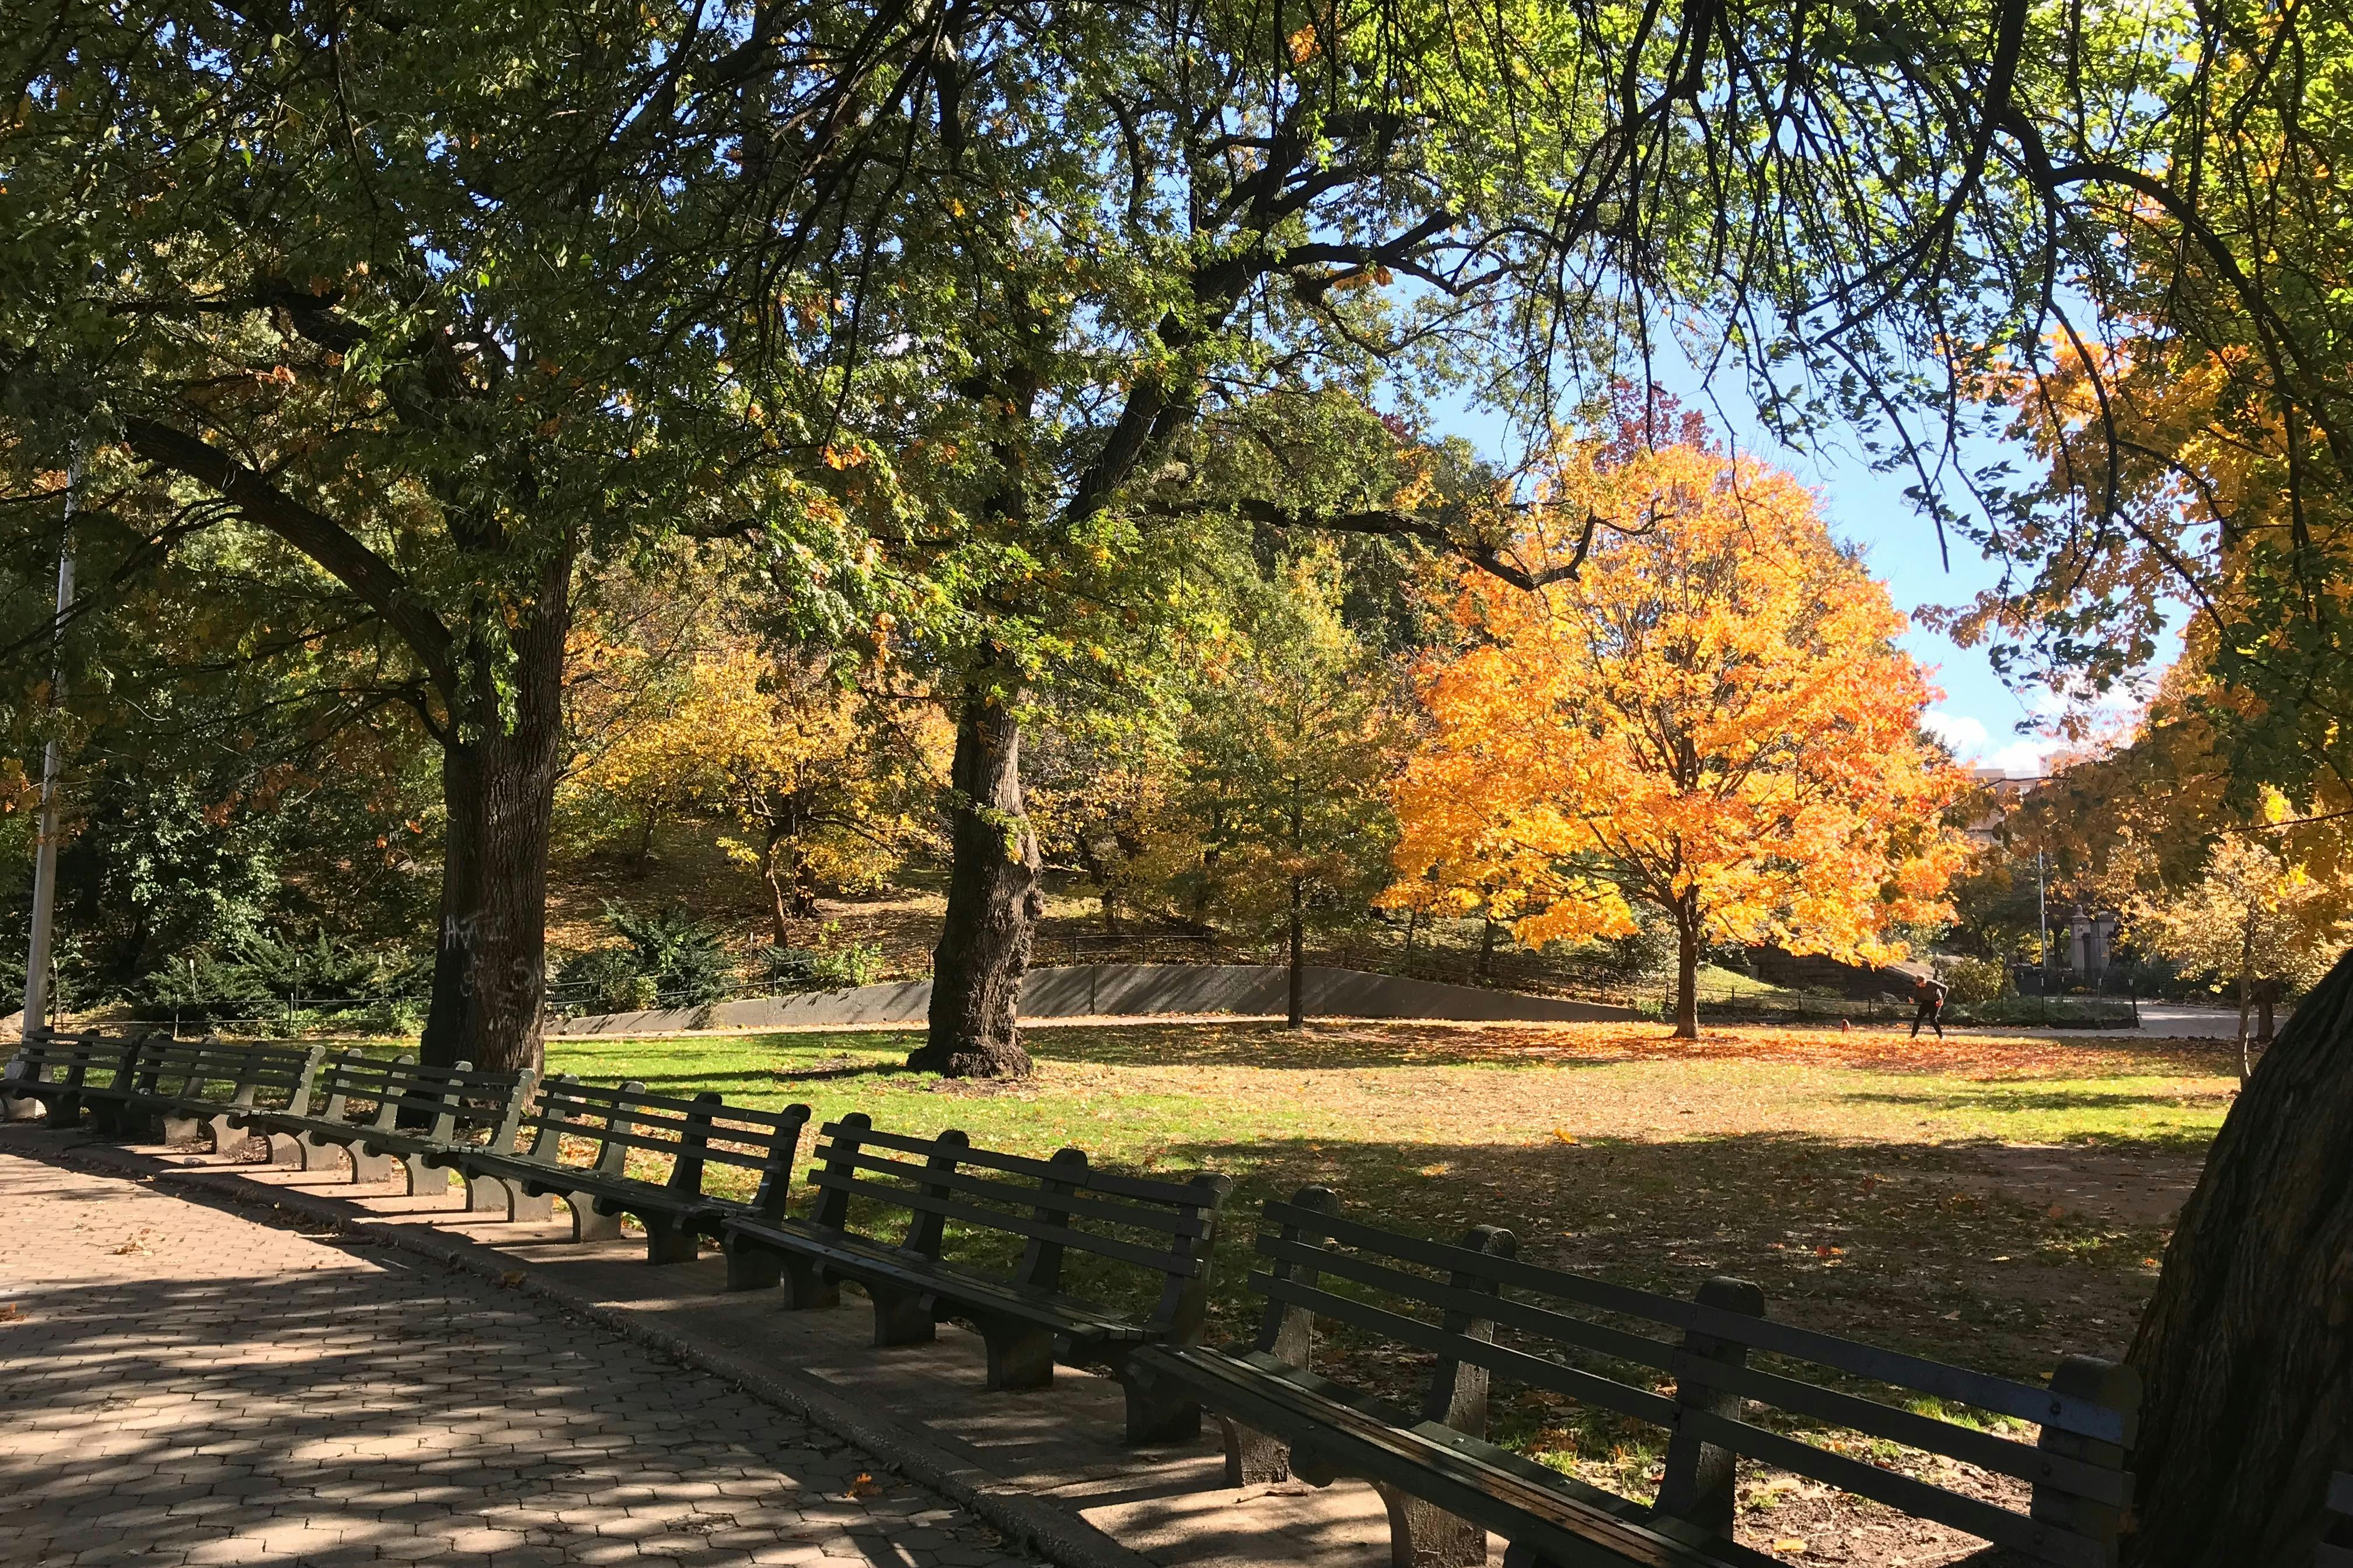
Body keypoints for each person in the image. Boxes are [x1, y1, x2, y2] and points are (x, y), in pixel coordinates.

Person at [1909, 972, 1950, 1039]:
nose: (1917, 984)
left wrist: (1942, 999)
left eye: (1918, 983)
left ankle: (1941, 1036)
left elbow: (1945, 988)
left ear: (1924, 982)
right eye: (1916, 983)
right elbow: (1916, 996)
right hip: (1926, 1002)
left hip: (1936, 1001)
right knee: (1918, 1018)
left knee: (1932, 1019)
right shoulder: (1918, 987)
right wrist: (1913, 1000)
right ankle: (1912, 1036)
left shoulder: (1932, 983)